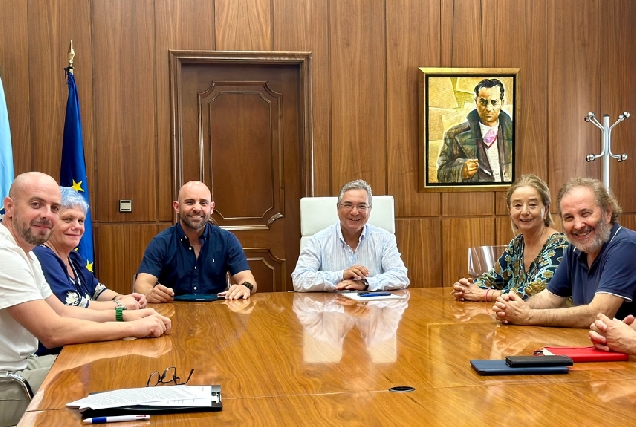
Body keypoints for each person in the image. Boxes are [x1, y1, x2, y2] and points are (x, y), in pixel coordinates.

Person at [0, 172, 171, 426]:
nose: (47, 214)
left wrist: (128, 315)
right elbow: (53, 331)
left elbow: (63, 311)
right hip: (9, 384)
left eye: (54, 208)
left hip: (26, 366)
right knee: (112, 380)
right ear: (10, 207)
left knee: (117, 363)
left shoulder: (27, 252)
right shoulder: (6, 255)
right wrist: (133, 327)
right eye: (36, 204)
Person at [493, 177, 636, 328]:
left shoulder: (626, 246)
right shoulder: (576, 248)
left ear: (607, 212)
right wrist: (515, 307)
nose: (578, 225)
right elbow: (550, 297)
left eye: (585, 213)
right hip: (588, 344)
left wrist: (528, 316)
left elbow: (598, 313)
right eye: (569, 217)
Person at [452, 174, 568, 302]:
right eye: (517, 205)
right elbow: (493, 279)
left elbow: (538, 291)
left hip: (552, 320)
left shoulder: (559, 245)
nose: (524, 212)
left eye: (532, 205)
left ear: (545, 210)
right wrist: (466, 287)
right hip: (517, 319)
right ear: (510, 210)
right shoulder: (517, 245)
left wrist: (483, 294)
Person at [135, 181, 257, 302]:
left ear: (212, 208)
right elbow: (142, 284)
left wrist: (245, 287)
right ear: (177, 207)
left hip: (217, 312)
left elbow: (248, 279)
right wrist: (149, 293)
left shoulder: (227, 240)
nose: (197, 208)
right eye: (189, 202)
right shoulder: (161, 242)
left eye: (203, 203)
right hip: (172, 312)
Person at [33, 187, 147, 310]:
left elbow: (97, 290)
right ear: (50, 221)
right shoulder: (41, 254)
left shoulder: (73, 256)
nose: (77, 226)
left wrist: (122, 298)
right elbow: (71, 305)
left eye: (81, 221)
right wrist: (120, 306)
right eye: (68, 219)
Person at [292, 179, 409, 292]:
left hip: (371, 308)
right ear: (338, 208)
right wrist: (342, 275)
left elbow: (400, 277)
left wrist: (365, 283)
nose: (354, 212)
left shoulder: (384, 239)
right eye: (348, 205)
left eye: (362, 206)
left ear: (370, 210)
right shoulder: (318, 240)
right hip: (331, 308)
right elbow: (299, 279)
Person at [436, 78, 513, 183]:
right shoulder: (454, 134)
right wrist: (460, 171)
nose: (488, 108)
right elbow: (441, 173)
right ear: (476, 101)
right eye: (483, 102)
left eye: (494, 102)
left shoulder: (516, 133)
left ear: (502, 103)